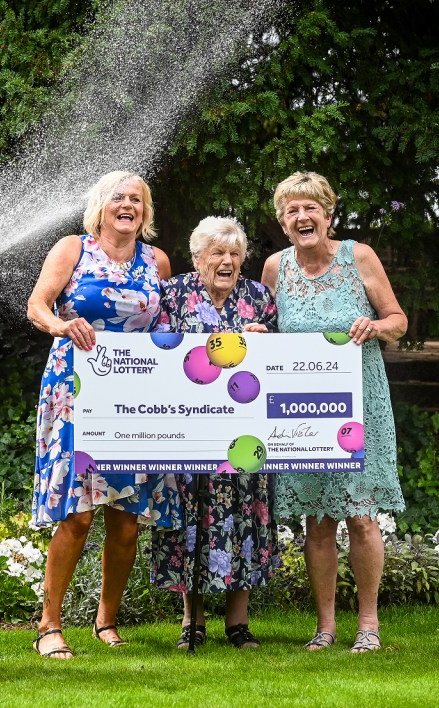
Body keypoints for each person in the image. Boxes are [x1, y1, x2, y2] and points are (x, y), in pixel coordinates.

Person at [26, 170, 181, 659]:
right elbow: (37, 305)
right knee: (77, 514)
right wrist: (62, 325)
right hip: (75, 389)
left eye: (136, 199)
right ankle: (49, 625)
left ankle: (106, 621)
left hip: (135, 395)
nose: (128, 204)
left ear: (145, 211)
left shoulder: (156, 260)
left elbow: (170, 326)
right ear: (101, 206)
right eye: (119, 197)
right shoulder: (73, 248)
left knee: (128, 517)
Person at [261, 171, 407, 653]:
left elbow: (399, 322)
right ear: (283, 222)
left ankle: (368, 625)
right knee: (317, 521)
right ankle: (325, 628)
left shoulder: (358, 257)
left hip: (359, 403)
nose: (303, 217)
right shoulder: (274, 269)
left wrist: (376, 325)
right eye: (292, 211)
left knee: (362, 516)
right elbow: (262, 331)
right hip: (299, 410)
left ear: (328, 213)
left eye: (311, 208)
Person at [150, 216, 279, 650]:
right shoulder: (174, 294)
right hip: (189, 431)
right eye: (218, 253)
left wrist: (265, 344)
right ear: (198, 258)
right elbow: (157, 355)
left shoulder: (259, 297)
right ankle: (193, 621)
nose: (227, 261)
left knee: (243, 517)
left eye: (235, 254)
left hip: (244, 435)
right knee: (192, 520)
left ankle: (238, 623)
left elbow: (280, 365)